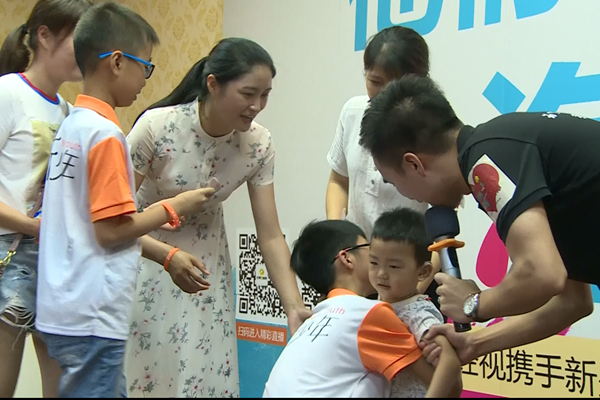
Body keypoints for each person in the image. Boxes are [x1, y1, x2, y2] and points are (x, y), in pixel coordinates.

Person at [35, 3, 216, 397]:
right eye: (145, 66)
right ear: (117, 62)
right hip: (91, 313)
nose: (146, 80)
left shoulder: (72, 125)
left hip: (60, 308)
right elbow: (110, 231)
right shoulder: (105, 135)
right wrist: (173, 207)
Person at [359, 74, 597, 366]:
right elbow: (573, 302)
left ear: (414, 164)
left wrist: (473, 303)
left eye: (396, 183)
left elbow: (543, 274)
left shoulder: (485, 161)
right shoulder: (500, 148)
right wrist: (474, 343)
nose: (409, 196)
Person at [125, 37, 311, 397]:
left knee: (202, 376)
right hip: (142, 259)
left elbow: (270, 235)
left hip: (206, 271)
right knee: (146, 377)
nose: (257, 106)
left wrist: (293, 306)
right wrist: (167, 256)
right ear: (213, 84)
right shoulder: (157, 127)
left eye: (265, 95)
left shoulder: (258, 144)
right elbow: (113, 220)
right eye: (248, 94)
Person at [0, 0, 92, 397]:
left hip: (54, 260)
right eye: (79, 39)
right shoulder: (8, 93)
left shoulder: (70, 112)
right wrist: (33, 226)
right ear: (44, 35)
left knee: (60, 388)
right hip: (8, 252)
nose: (88, 52)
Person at [263, 219, 462, 398]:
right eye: (370, 250)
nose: (381, 270)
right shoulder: (367, 314)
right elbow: (448, 385)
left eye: (393, 265)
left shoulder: (316, 318)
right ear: (347, 258)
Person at [325, 26, 442, 308]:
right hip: (358, 273)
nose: (384, 94)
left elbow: (443, 226)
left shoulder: (435, 129)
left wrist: (413, 287)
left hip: (410, 278)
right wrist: (338, 235)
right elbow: (338, 180)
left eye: (396, 84)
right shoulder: (353, 112)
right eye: (375, 81)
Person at [369, 208, 445, 397]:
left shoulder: (420, 314)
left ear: (424, 272)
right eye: (374, 263)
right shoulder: (374, 302)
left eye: (393, 266)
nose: (381, 274)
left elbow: (445, 365)